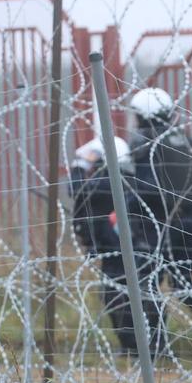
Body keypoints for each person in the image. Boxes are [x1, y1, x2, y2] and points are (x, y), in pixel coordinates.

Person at [128, 87, 192, 356]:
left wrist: (128, 202)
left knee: (148, 284)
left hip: (153, 225)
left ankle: (153, 346)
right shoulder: (183, 137)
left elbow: (145, 187)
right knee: (184, 285)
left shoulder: (143, 139)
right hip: (186, 222)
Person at [69, 136, 139, 354]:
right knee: (117, 296)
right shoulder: (121, 179)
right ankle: (131, 345)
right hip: (116, 248)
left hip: (117, 250)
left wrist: (79, 167)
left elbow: (77, 190)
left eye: (97, 162)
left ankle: (134, 346)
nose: (94, 166)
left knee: (118, 296)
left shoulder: (111, 181)